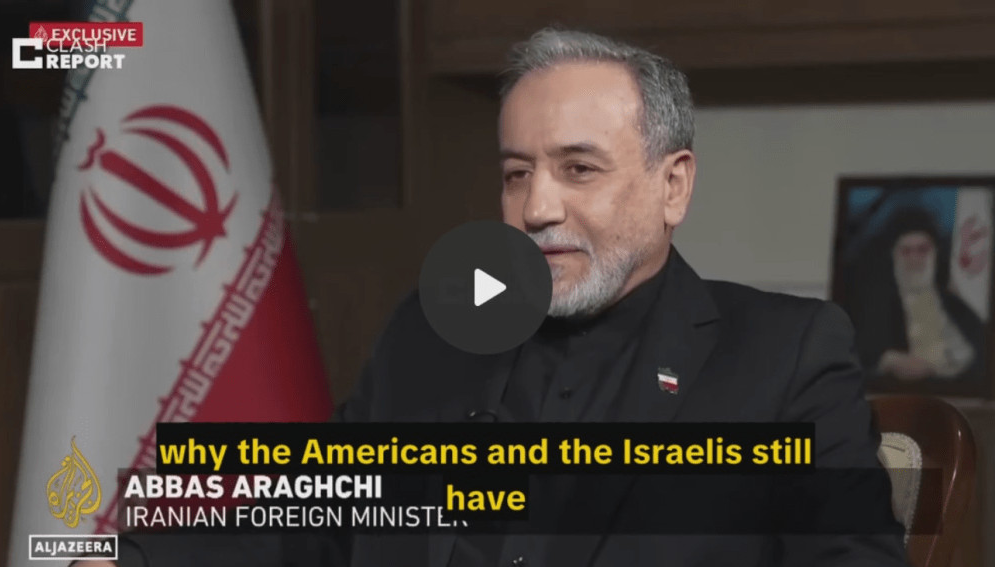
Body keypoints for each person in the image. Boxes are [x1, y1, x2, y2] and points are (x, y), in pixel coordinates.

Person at [84, 28, 907, 566]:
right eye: (517, 173)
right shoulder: (433, 329)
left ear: (673, 185)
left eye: (578, 169)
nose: (537, 207)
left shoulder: (785, 352)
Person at [851, 207, 986, 383]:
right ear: (894, 256)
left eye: (922, 250)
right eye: (906, 251)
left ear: (935, 254)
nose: (914, 259)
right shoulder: (873, 306)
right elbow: (857, 357)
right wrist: (888, 361)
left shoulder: (957, 307)